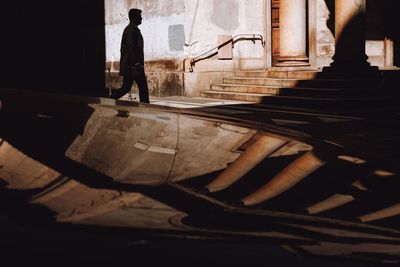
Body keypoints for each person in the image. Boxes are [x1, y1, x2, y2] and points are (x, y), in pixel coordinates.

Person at [110, 8, 150, 103]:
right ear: (134, 18)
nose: (141, 18)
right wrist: (136, 63)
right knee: (143, 87)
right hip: (132, 66)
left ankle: (110, 99)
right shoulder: (131, 30)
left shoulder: (133, 29)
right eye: (139, 16)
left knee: (126, 88)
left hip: (131, 65)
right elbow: (131, 48)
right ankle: (146, 107)